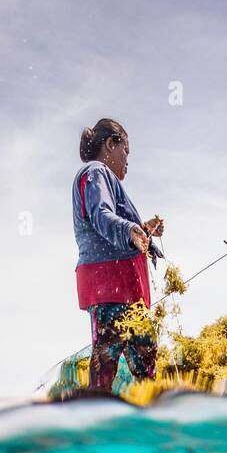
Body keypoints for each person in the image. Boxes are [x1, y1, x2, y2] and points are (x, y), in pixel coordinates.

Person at [72, 118, 164, 393]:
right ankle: (95, 417)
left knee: (146, 360)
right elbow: (101, 215)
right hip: (109, 286)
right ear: (110, 144)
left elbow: (118, 225)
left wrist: (145, 233)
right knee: (107, 360)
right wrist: (131, 231)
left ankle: (149, 417)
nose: (127, 160)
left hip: (127, 290)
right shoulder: (96, 171)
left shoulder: (106, 179)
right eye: (126, 150)